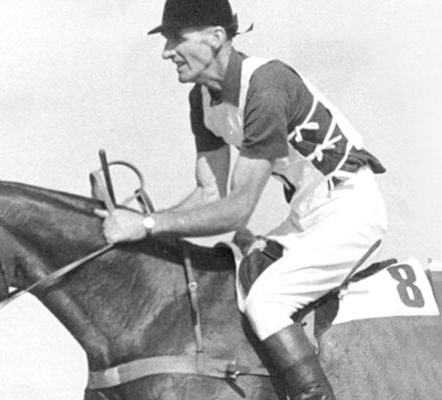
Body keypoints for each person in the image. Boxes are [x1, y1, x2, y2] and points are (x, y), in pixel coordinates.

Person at [94, 0, 387, 398]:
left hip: (350, 209)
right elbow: (209, 193)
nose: (166, 53)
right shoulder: (201, 99)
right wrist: (140, 222)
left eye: (176, 39)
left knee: (266, 302)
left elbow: (236, 209)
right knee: (235, 277)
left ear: (217, 37)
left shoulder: (266, 86)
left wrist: (146, 225)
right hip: (306, 215)